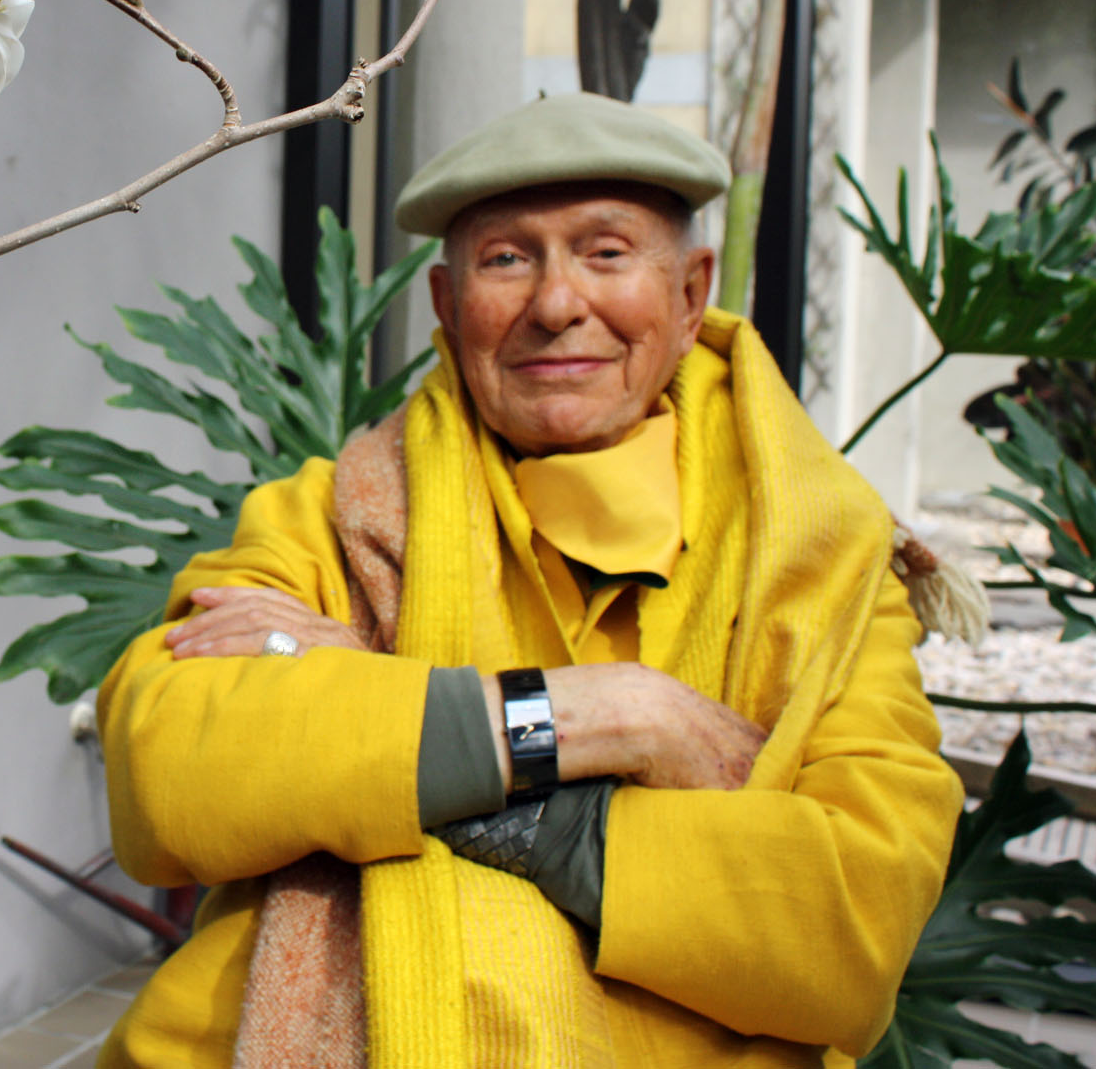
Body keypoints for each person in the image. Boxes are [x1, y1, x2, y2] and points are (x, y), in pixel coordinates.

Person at [94, 92, 961, 1068]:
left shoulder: (823, 559)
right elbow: (166, 768)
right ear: (448, 304)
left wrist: (483, 785)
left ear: (689, 295)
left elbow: (847, 927)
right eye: (507, 258)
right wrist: (607, 715)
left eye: (605, 251)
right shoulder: (338, 513)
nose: (556, 305)